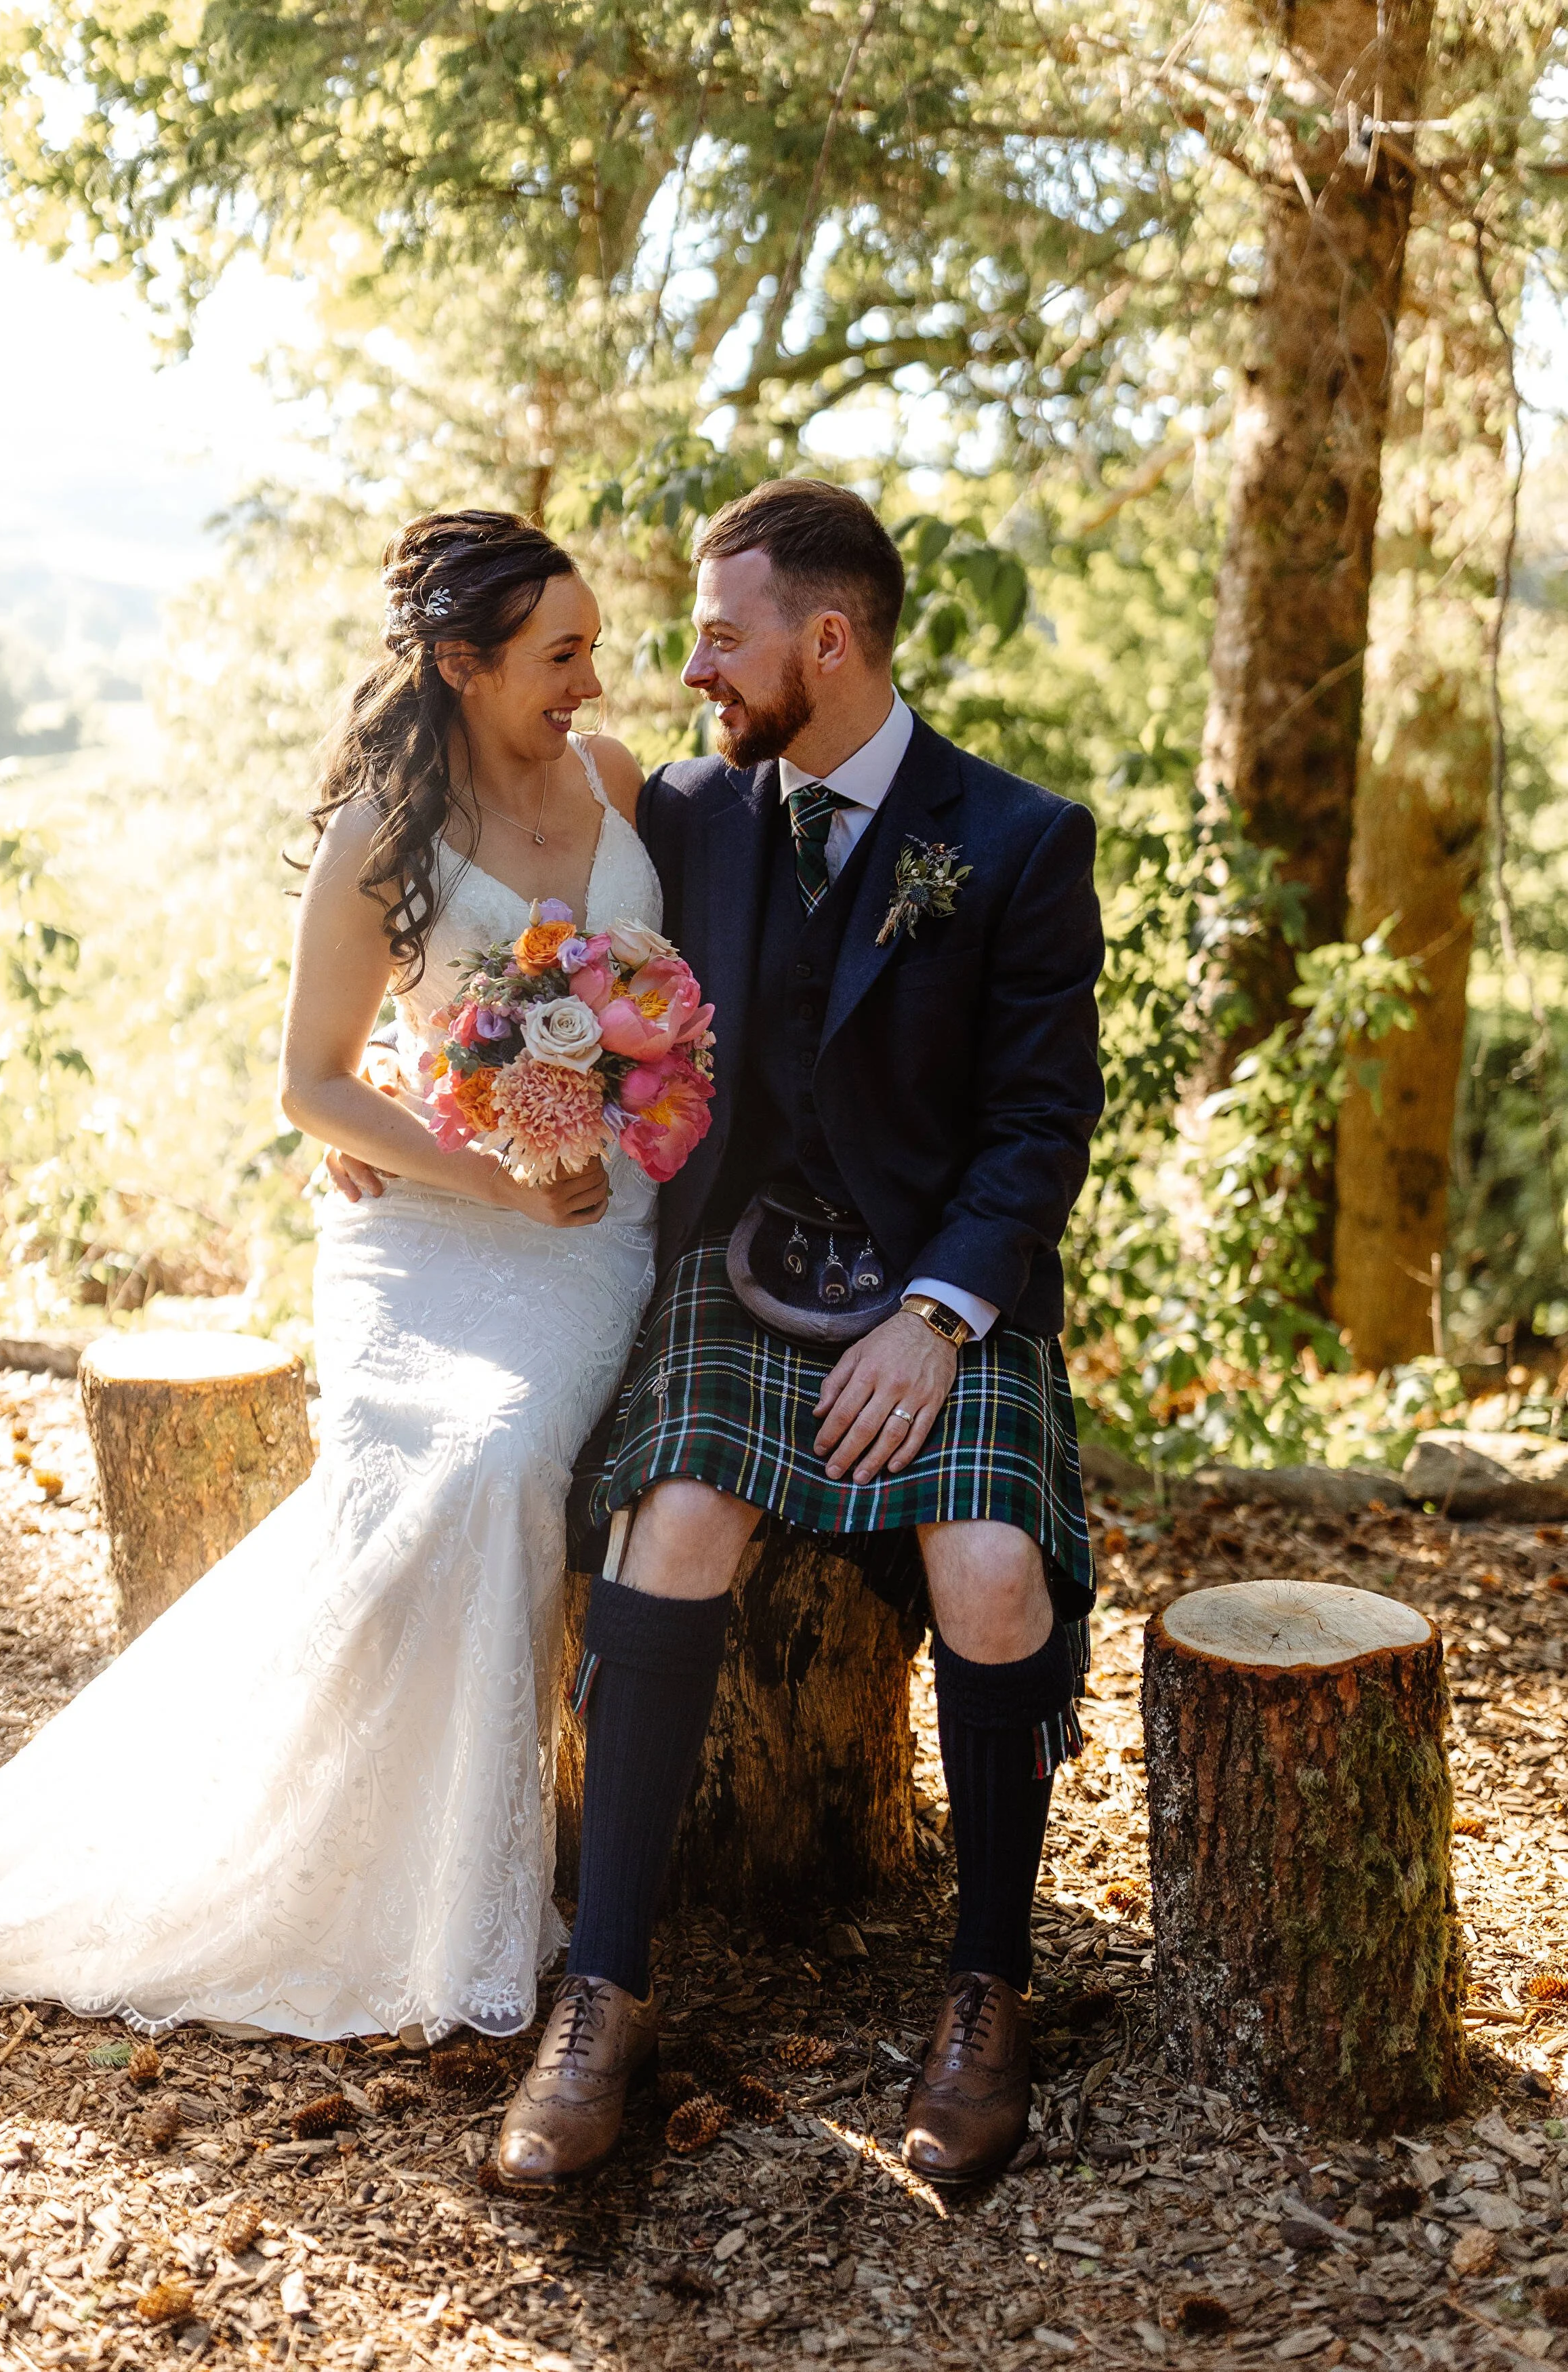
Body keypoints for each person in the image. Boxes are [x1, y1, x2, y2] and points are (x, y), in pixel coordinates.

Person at [494, 478, 1104, 2188]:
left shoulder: (1014, 840)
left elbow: (1041, 1125)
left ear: (823, 642)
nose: (693, 669)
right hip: (744, 1265)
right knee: (675, 1524)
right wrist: (405, 1095)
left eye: (719, 634)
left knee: (990, 1569)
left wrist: (935, 1315)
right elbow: (502, 830)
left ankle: (989, 1985)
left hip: (934, 1284)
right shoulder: (695, 807)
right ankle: (606, 1990)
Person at [0, 509, 662, 2042]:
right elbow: (315, 1083)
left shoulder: (619, 783)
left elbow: (673, 1009)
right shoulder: (382, 840)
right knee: (434, 1468)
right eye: (561, 654)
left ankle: (452, 1887)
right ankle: (352, 1871)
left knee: (499, 1467)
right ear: (462, 664)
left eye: (594, 650)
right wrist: (482, 1166)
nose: (589, 680)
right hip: (430, 1222)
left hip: (594, 1228)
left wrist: (606, 1137)